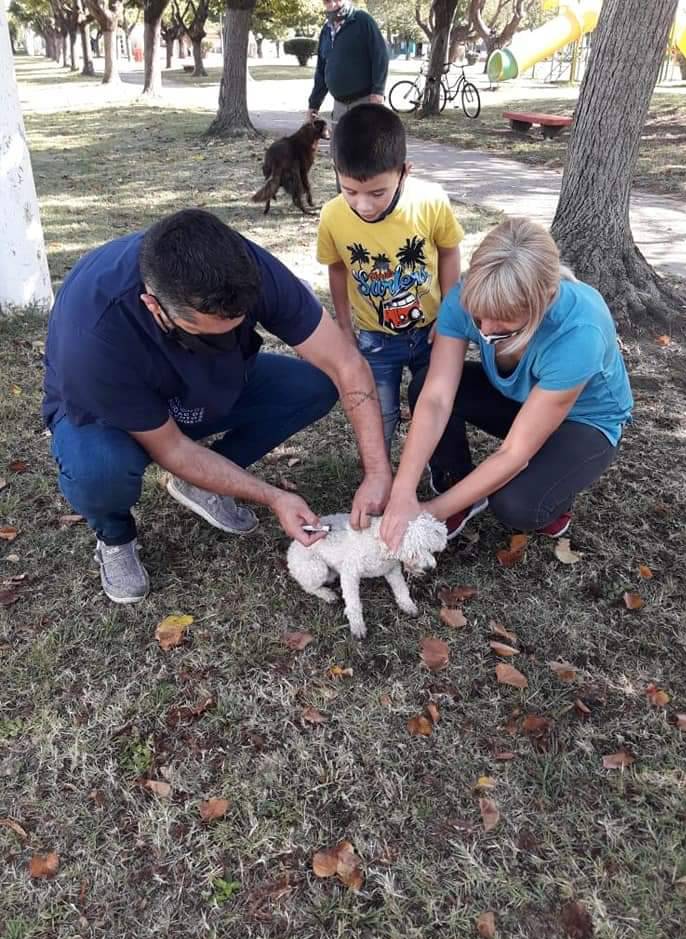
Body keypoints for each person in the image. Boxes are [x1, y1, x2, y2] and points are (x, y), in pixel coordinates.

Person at [43, 209, 391, 604]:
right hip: (108, 413)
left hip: (204, 386)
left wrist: (378, 471)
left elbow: (345, 363)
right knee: (99, 470)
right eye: (204, 336)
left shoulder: (244, 267)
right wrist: (273, 496)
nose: (223, 342)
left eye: (235, 328)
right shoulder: (93, 336)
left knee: (313, 386)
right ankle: (115, 534)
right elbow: (170, 447)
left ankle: (200, 481)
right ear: (153, 306)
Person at [380, 217, 634, 549]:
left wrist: (429, 513)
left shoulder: (580, 333)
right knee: (425, 383)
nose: (485, 330)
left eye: (503, 322)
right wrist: (402, 492)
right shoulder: (465, 295)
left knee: (517, 505)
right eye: (478, 315)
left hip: (583, 422)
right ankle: (459, 483)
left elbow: (515, 451)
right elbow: (437, 398)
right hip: (521, 399)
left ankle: (554, 489)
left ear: (544, 300)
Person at [316, 103, 464, 450]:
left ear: (404, 171)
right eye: (350, 191)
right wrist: (343, 325)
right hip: (375, 340)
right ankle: (377, 475)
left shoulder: (430, 201)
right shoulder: (332, 216)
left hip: (431, 333)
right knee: (378, 416)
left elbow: (449, 250)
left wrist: (450, 312)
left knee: (437, 404)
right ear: (336, 172)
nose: (363, 205)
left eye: (377, 193)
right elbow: (336, 267)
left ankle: (441, 472)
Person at [307, 0, 389, 127]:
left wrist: (378, 91)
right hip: (339, 105)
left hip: (364, 102)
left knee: (364, 146)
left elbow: (380, 55)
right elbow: (321, 71)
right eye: (327, 0)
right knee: (340, 146)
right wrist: (314, 104)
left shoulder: (363, 20)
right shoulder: (325, 31)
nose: (332, 3)